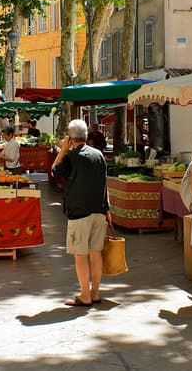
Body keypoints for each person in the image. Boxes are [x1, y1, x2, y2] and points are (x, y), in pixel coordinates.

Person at [51, 119, 111, 307]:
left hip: (79, 212)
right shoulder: (99, 155)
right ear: (85, 136)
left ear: (70, 137)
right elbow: (104, 183)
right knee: (96, 253)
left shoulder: (71, 157)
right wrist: (107, 208)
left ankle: (85, 295)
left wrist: (62, 150)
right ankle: (95, 293)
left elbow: (55, 171)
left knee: (80, 255)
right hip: (99, 210)